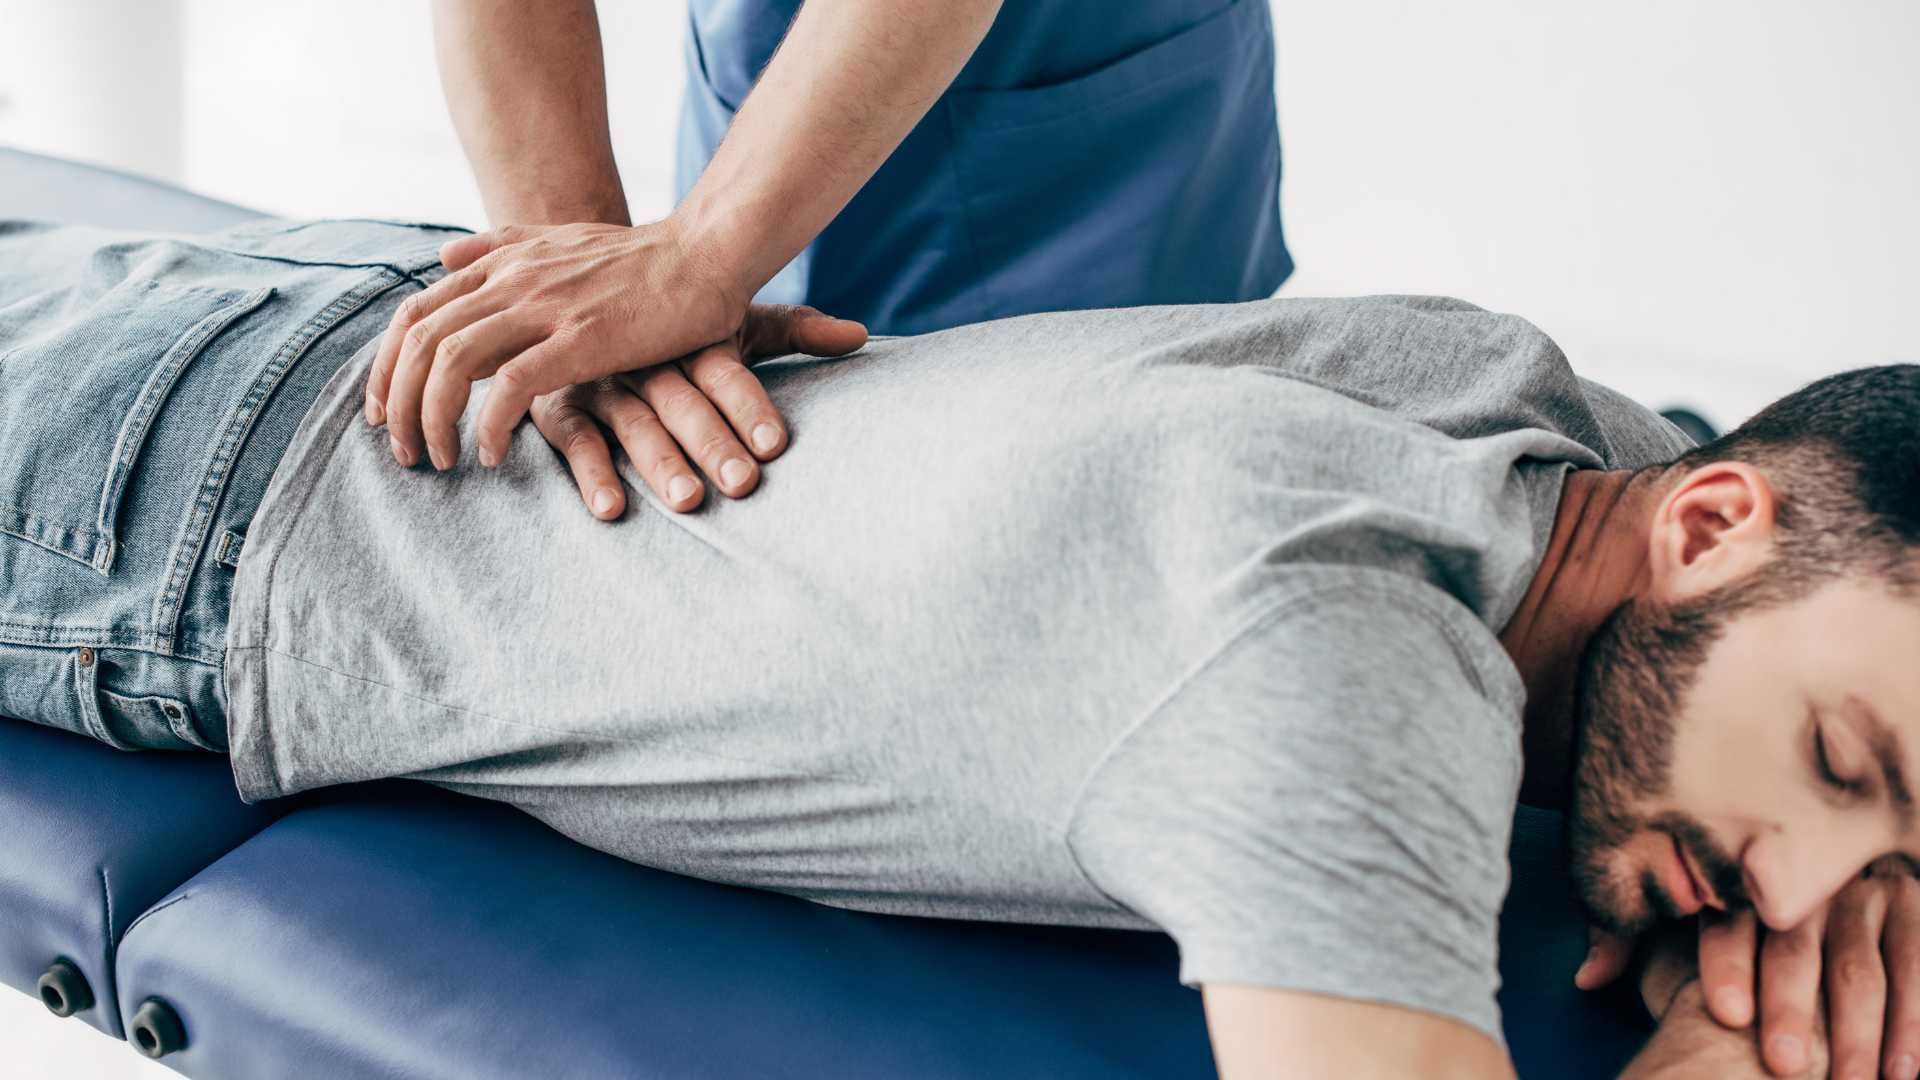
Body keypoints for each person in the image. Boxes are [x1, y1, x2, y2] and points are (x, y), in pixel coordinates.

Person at [3, 217, 1916, 1079]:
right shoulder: (1339, 664)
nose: (1807, 891)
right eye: (1844, 767)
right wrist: (1741, 1056)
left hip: (383, 321)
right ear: (1707, 530)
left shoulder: (1532, 408)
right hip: (169, 525)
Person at [405, 0, 1291, 522]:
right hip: (759, 69)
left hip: (1087, 140)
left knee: (1124, 507)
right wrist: (585, 295)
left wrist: (698, 255)